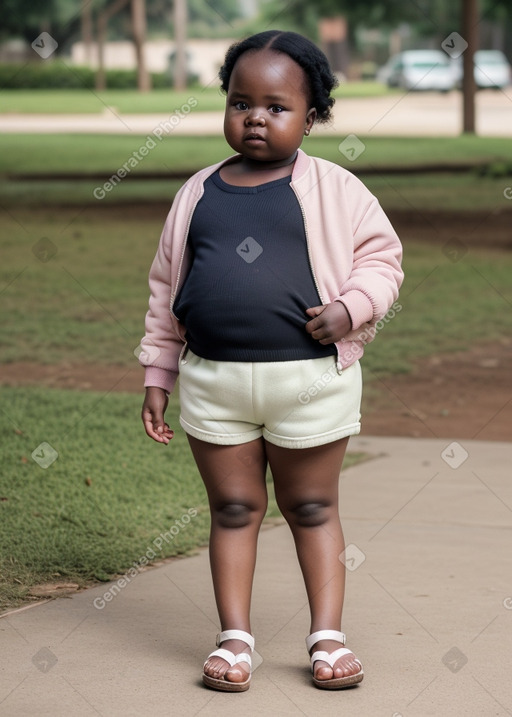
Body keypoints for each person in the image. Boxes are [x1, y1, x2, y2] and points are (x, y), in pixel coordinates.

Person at [139, 30, 403, 692]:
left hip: (309, 381)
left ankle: (328, 636)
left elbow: (384, 259)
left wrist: (352, 306)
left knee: (312, 504)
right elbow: (165, 288)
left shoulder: (337, 189)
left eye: (276, 106)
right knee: (232, 508)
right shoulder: (197, 193)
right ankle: (235, 637)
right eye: (239, 102)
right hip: (214, 381)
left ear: (311, 116)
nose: (254, 117)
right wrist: (157, 374)